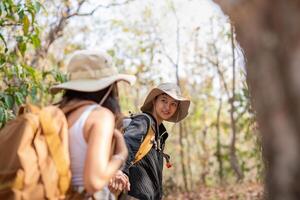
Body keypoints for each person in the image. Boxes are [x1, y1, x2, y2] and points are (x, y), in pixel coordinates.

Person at [50, 50, 135, 199]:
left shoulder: (57, 113)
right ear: (109, 87)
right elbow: (93, 182)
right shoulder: (100, 116)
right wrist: (120, 156)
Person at [109, 83, 190, 200]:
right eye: (164, 100)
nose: (168, 107)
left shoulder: (159, 133)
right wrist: (120, 171)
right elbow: (128, 143)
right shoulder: (144, 121)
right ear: (154, 101)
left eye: (173, 104)